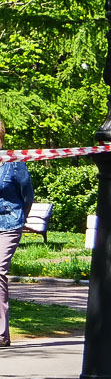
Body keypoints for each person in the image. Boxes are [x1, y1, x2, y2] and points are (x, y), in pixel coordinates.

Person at [0, 116, 34, 348]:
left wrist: (21, 218)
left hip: (9, 223)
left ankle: (1, 333)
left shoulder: (13, 161)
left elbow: (27, 194)